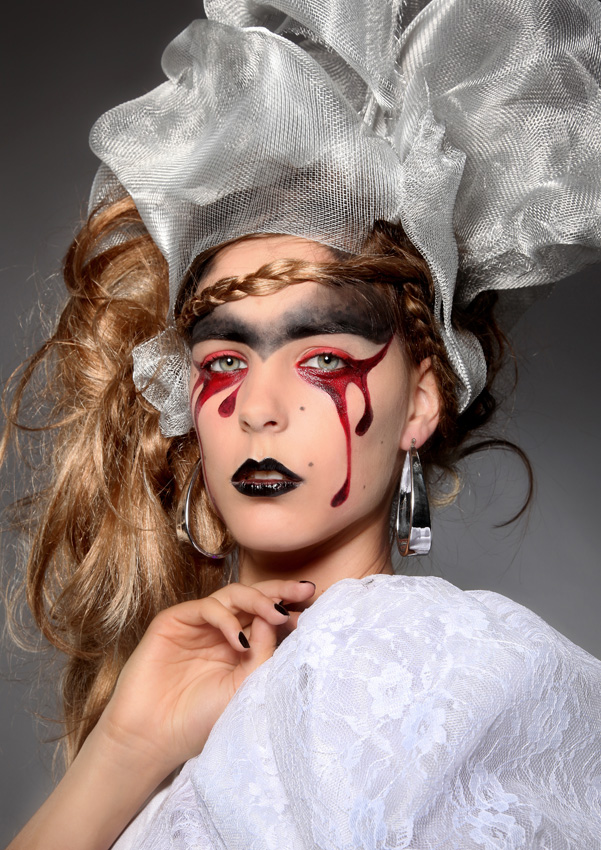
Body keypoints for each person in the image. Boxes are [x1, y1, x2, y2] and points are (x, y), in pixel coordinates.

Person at [3, 0, 601, 847]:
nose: (258, 407)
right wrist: (128, 747)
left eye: (321, 357)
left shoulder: (410, 661)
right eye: (223, 362)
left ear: (420, 400)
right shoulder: (182, 702)